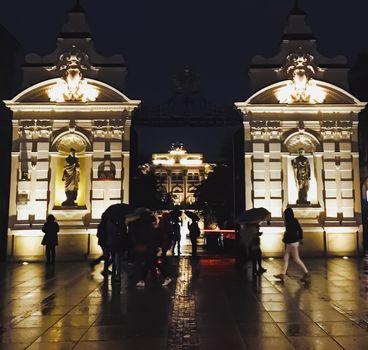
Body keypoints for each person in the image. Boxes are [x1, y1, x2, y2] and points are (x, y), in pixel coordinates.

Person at [132, 212, 172, 288]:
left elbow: (144, 237)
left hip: (149, 247)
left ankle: (166, 277)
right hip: (152, 247)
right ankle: (142, 280)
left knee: (149, 263)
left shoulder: (144, 226)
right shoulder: (152, 226)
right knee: (150, 263)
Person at [274, 208, 310, 282]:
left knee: (296, 258)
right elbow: (299, 230)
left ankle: (306, 272)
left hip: (292, 242)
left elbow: (290, 232)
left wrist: (286, 236)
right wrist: (300, 238)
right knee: (286, 257)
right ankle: (283, 274)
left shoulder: (289, 222)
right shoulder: (294, 220)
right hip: (292, 242)